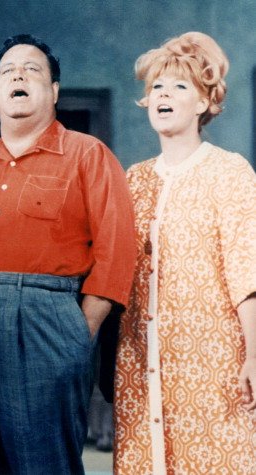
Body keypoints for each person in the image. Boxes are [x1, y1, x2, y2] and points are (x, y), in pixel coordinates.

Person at [0, 34, 136, 474]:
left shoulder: (87, 156)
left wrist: (80, 331)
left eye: (32, 69)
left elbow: (117, 248)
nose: (18, 74)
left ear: (54, 92)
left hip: (44, 322)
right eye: (8, 71)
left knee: (43, 463)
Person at [113, 32, 256, 474]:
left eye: (179, 87)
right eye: (157, 86)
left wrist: (255, 354)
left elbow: (246, 270)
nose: (164, 95)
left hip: (215, 367)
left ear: (203, 103)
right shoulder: (131, 180)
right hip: (141, 363)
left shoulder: (229, 172)